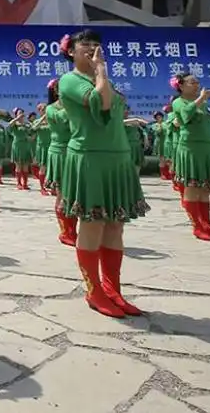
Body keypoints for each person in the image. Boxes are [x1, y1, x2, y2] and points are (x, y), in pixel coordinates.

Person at [56, 30, 149, 319]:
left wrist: (101, 74)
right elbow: (103, 104)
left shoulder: (102, 78)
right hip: (89, 158)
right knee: (93, 225)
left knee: (115, 226)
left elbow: (113, 110)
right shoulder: (70, 80)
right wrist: (100, 71)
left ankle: (113, 289)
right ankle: (93, 290)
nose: (93, 49)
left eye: (97, 45)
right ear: (71, 52)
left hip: (117, 157)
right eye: (86, 45)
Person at [170, 73, 210, 241]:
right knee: (193, 187)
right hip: (190, 148)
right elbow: (186, 116)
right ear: (181, 86)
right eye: (192, 82)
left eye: (197, 82)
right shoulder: (178, 102)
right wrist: (200, 98)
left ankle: (207, 225)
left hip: (206, 148)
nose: (196, 85)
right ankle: (197, 226)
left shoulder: (202, 104)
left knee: (205, 189)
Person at [42, 79, 76, 246]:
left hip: (75, 151)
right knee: (63, 192)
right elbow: (63, 120)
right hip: (59, 152)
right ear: (56, 90)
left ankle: (73, 230)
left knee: (75, 194)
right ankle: (65, 231)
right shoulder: (51, 109)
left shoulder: (74, 107)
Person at [8, 108, 33, 190]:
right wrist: (17, 119)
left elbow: (32, 132)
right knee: (18, 165)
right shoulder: (15, 124)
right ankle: (18, 183)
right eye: (19, 113)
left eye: (22, 113)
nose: (21, 114)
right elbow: (10, 124)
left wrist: (31, 137)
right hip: (17, 145)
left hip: (25, 145)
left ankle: (25, 183)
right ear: (16, 114)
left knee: (25, 165)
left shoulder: (27, 124)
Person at [32, 103, 51, 194]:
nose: (44, 111)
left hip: (51, 146)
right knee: (43, 167)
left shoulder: (51, 121)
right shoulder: (37, 121)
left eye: (46, 109)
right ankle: (42, 187)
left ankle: (53, 187)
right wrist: (43, 119)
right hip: (42, 146)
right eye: (42, 109)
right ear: (39, 111)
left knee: (52, 168)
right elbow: (34, 128)